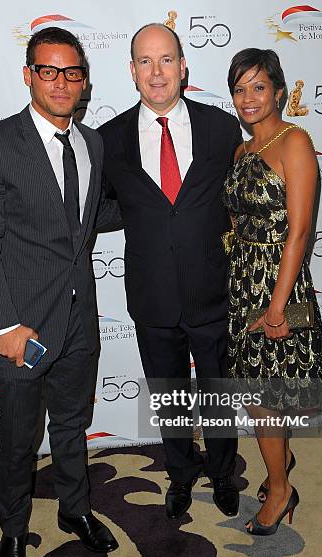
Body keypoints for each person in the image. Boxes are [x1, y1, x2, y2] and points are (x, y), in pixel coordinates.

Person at [0, 27, 120, 557]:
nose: (60, 82)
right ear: (28, 74)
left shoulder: (92, 143)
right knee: (19, 435)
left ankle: (74, 510)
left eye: (71, 72)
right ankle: (11, 533)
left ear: (83, 81)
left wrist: (166, 209)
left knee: (73, 424)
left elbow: (86, 217)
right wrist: (3, 323)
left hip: (79, 319)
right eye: (48, 71)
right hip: (20, 325)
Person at [99, 23, 242, 520]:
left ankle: (224, 471)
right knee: (170, 394)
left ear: (184, 67)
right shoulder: (108, 139)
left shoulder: (222, 128)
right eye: (145, 61)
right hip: (152, 293)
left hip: (213, 290)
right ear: (132, 71)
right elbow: (96, 208)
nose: (156, 72)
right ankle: (180, 475)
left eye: (166, 60)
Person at [224, 48, 322, 536]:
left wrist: (276, 304)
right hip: (242, 279)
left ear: (277, 90)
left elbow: (299, 231)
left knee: (263, 397)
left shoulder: (296, 142)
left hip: (277, 281)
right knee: (260, 393)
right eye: (239, 88)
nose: (248, 98)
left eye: (258, 87)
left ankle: (280, 489)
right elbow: (236, 217)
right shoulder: (241, 151)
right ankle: (280, 468)